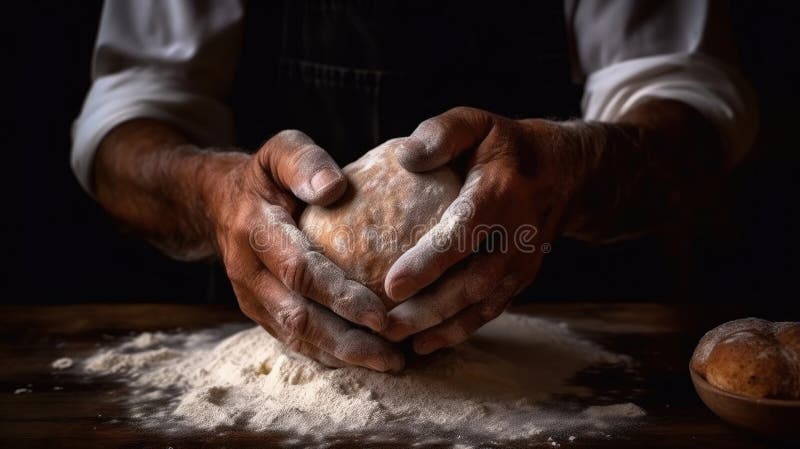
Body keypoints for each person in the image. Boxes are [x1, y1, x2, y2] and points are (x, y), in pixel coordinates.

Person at [72, 0, 757, 372]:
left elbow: (688, 100)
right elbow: (128, 115)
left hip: (574, 346)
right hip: (283, 326)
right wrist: (212, 192)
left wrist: (573, 166)